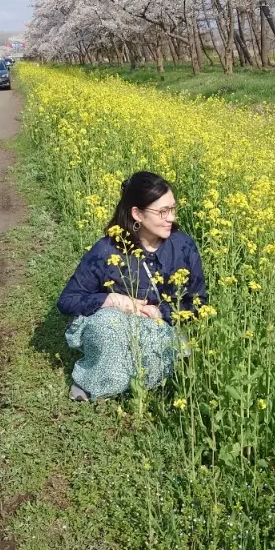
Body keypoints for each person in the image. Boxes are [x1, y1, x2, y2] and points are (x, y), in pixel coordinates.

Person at [57, 171, 206, 401]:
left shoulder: (183, 246)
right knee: (108, 325)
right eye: (163, 211)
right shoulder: (107, 250)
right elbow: (67, 301)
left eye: (173, 209)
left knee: (155, 341)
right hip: (116, 330)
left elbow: (198, 303)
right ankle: (96, 380)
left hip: (160, 328)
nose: (171, 218)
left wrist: (161, 312)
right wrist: (110, 300)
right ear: (137, 214)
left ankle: (127, 380)